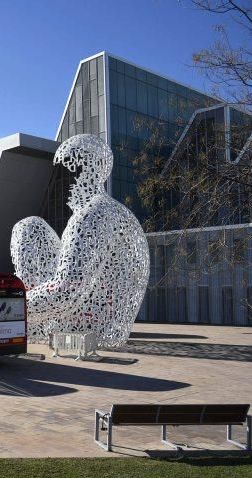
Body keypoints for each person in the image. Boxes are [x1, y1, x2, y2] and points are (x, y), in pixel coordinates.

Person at [10, 134, 149, 348]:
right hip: (108, 326)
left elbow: (66, 291)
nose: (62, 183)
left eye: (67, 172)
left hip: (91, 325)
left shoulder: (94, 214)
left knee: (27, 228)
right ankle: (27, 320)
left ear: (88, 173)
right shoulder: (114, 211)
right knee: (33, 227)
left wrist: (10, 306)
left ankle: (24, 322)